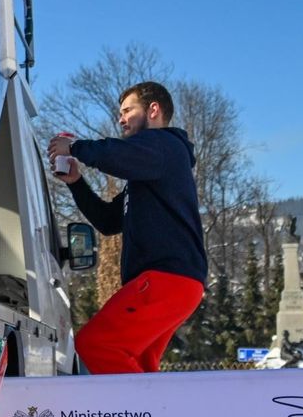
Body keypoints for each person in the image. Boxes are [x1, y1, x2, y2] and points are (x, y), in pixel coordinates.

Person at [48, 81, 206, 374]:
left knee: (97, 345)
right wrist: (76, 183)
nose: (121, 119)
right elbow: (108, 221)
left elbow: (117, 154)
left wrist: (75, 147)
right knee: (141, 364)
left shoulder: (166, 145)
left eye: (128, 111)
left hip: (166, 278)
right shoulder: (150, 172)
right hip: (175, 282)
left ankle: (138, 416)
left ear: (153, 110)